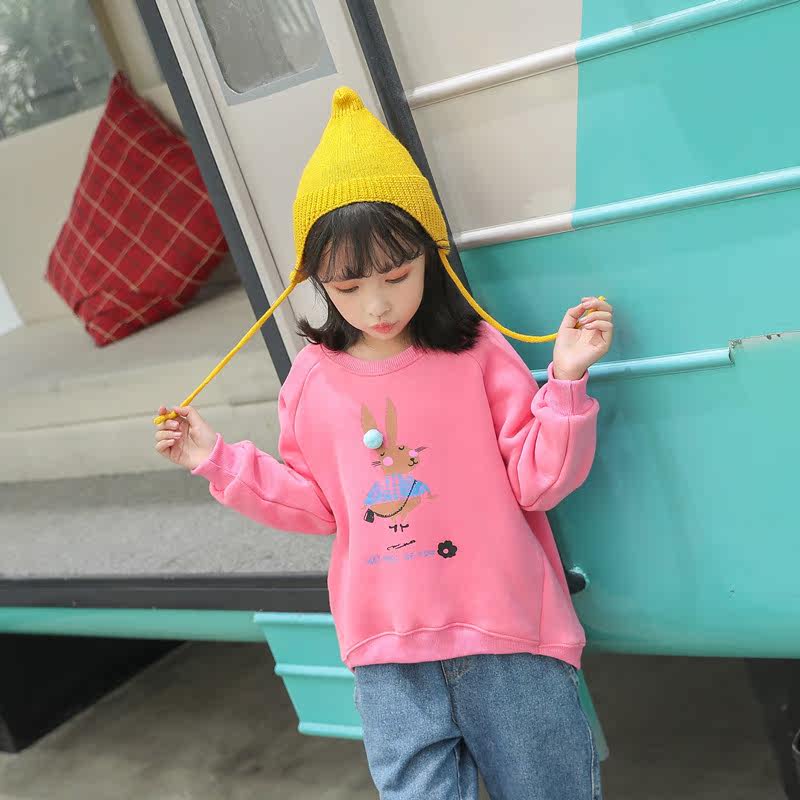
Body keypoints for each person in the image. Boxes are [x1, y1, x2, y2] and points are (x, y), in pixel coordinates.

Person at [155, 87, 612, 799]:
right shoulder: (312, 381)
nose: (377, 304)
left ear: (429, 256)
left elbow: (538, 481)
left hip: (511, 636)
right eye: (347, 286)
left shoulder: (477, 353)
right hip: (387, 659)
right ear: (316, 283)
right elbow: (316, 506)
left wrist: (567, 381)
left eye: (397, 275)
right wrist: (214, 458)